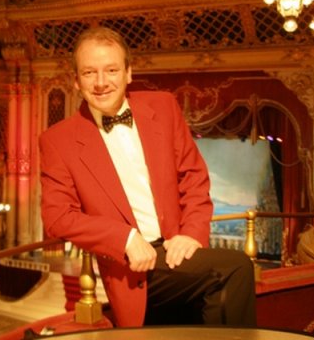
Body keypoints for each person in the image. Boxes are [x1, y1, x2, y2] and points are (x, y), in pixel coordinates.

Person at [39, 26, 256, 328]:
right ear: (76, 81)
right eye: (89, 73)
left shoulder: (163, 106)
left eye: (111, 70)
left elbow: (193, 176)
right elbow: (57, 217)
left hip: (178, 251)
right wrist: (124, 237)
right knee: (235, 268)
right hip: (132, 270)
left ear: (128, 72)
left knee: (226, 281)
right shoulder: (58, 140)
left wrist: (192, 234)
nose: (101, 82)